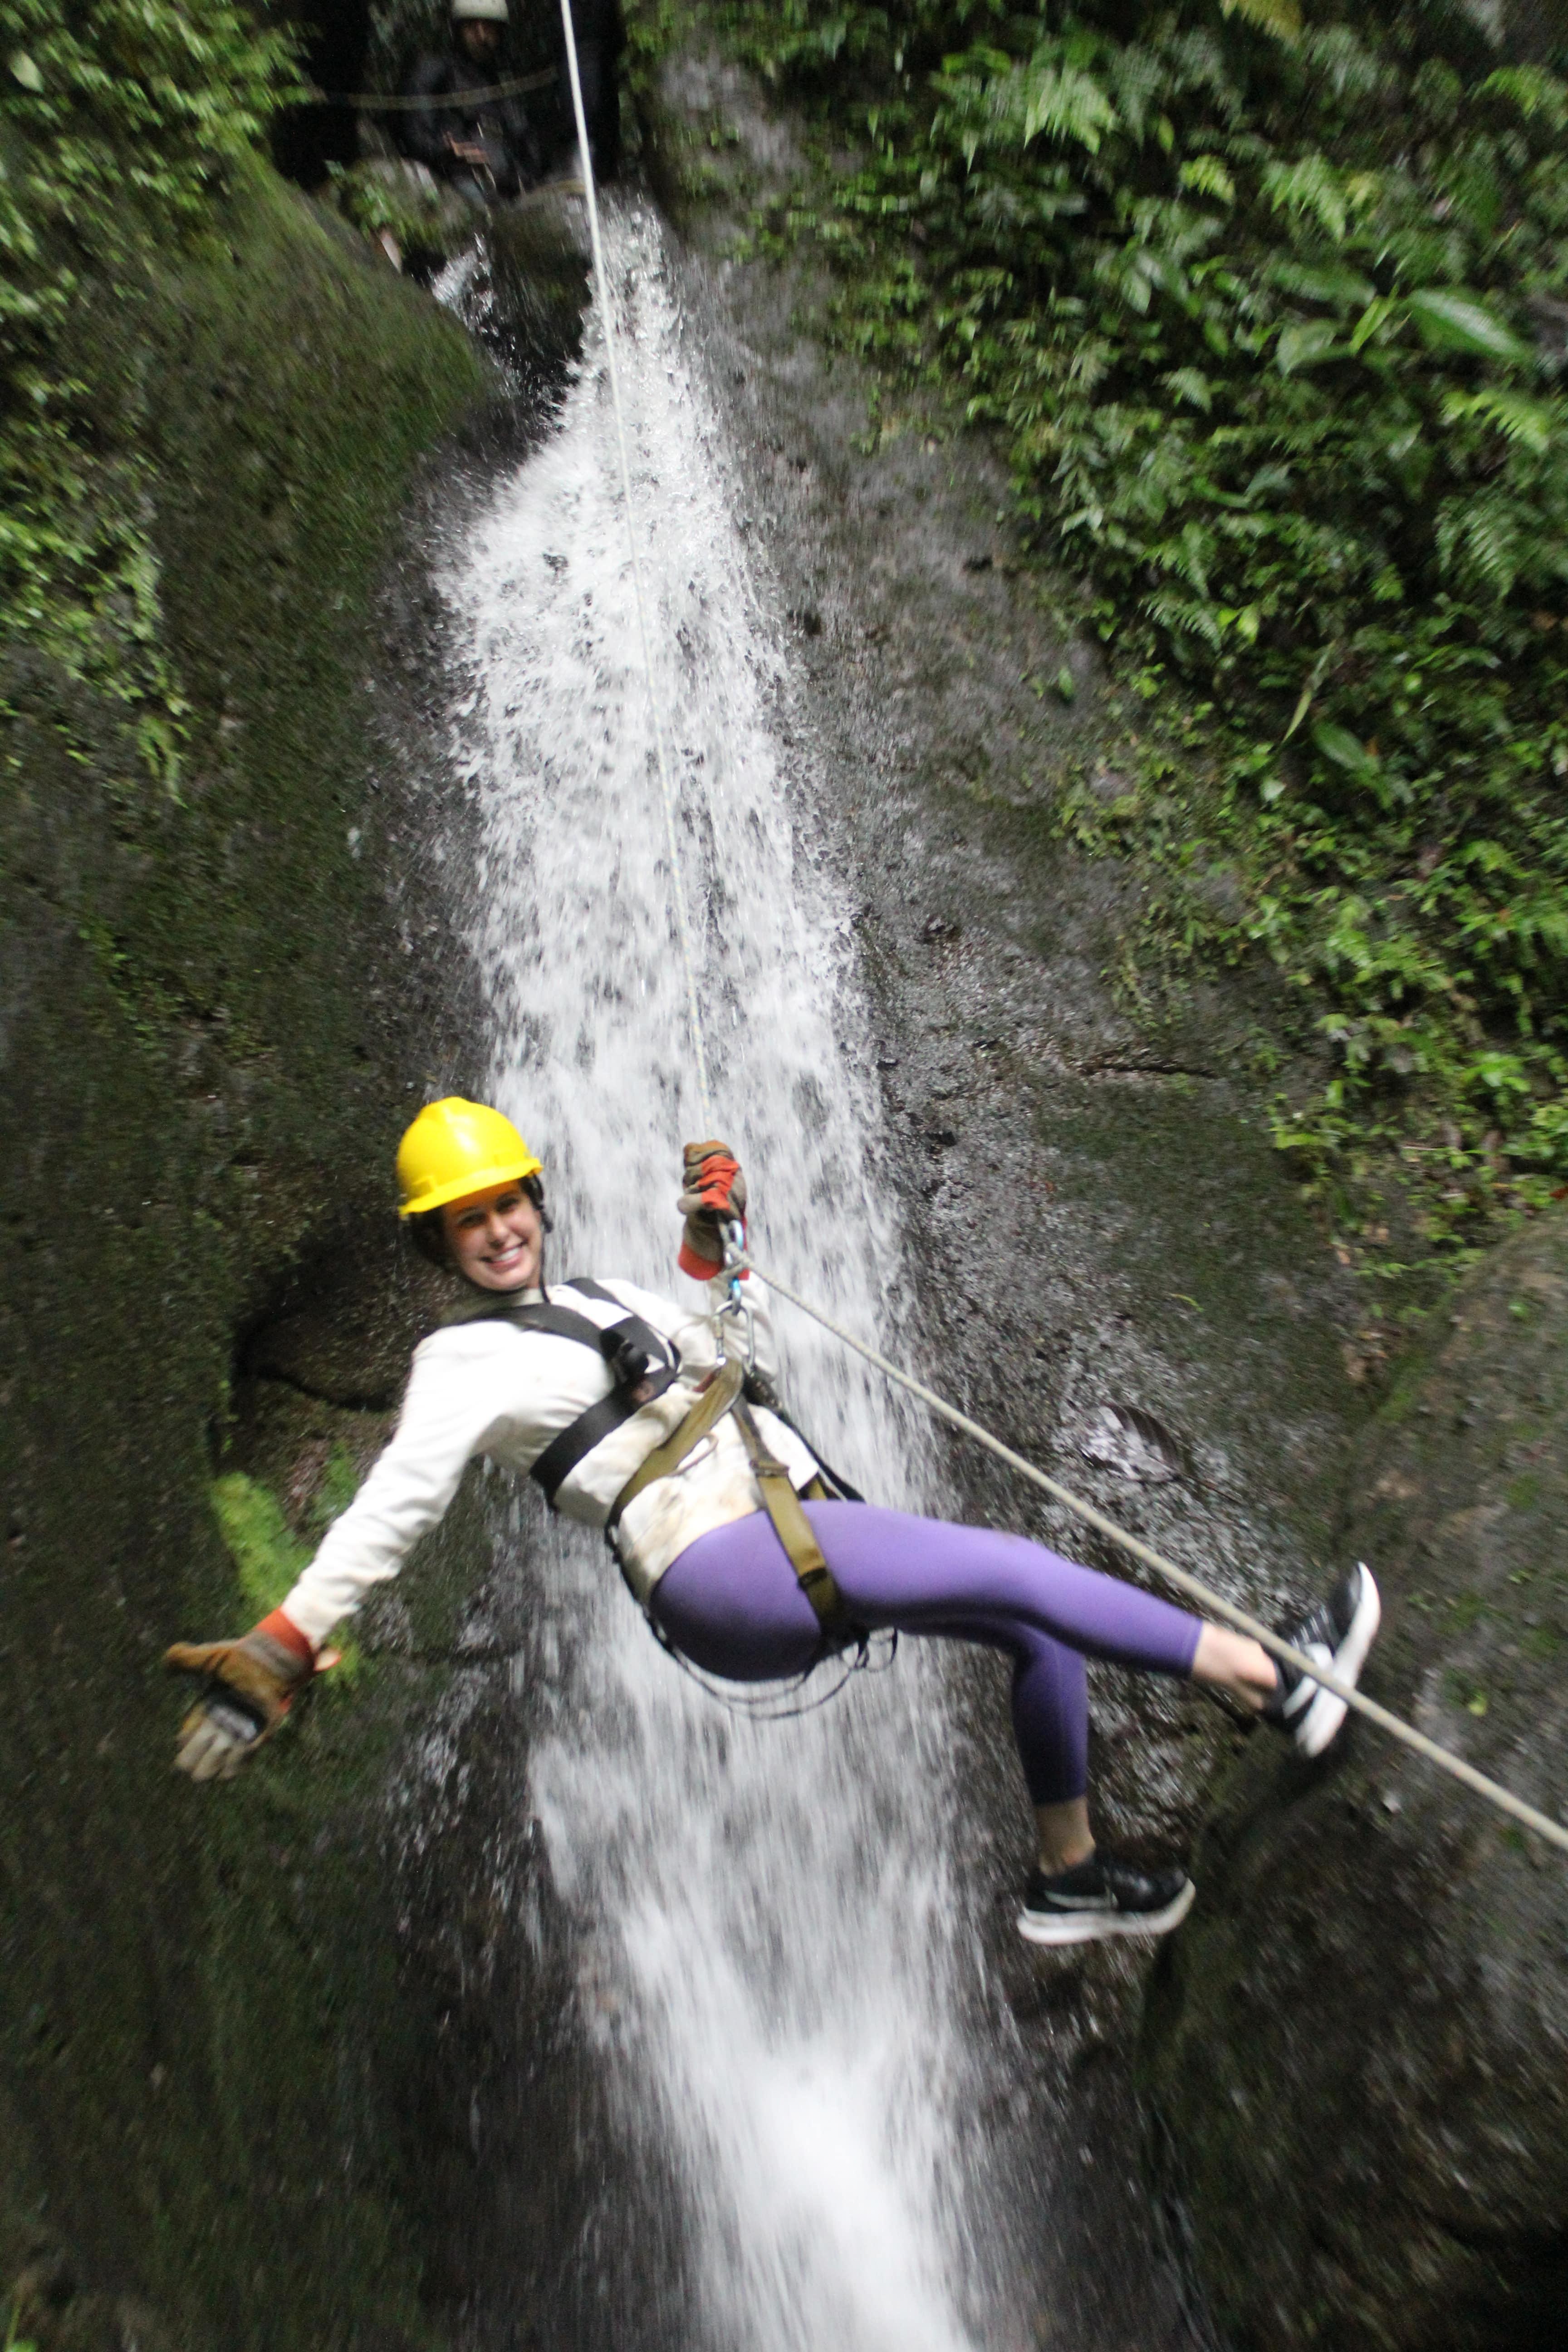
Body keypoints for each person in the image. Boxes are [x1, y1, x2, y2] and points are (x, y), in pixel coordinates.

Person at [167, 1101, 1382, 1949]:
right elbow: (397, 1503)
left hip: (774, 1529)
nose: (496, 1229)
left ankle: (1071, 1878)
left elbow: (726, 1338)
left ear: (536, 1199)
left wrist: (713, 1242)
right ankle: (1273, 1679)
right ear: (436, 1242)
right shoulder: (459, 1360)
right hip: (719, 1566)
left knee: (1032, 1628)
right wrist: (285, 1643)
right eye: (464, 1219)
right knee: (1019, 1569)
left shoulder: (605, 1299)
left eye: (507, 1203)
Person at [398, 0, 540, 205]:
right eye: (472, 27)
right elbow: (414, 134)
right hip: (455, 181)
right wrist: (446, 153)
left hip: (506, 188)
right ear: (457, 30)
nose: (482, 37)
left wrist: (517, 178)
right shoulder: (435, 71)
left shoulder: (504, 89)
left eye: (488, 28)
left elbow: (528, 152)